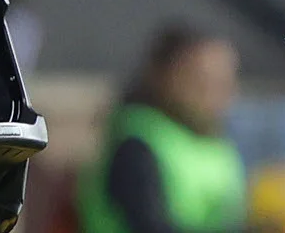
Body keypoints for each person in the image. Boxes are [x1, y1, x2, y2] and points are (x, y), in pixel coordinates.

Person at [77, 26, 246, 233]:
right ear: (167, 78)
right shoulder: (136, 143)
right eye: (202, 81)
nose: (217, 95)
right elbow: (149, 225)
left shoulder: (218, 145)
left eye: (224, 83)